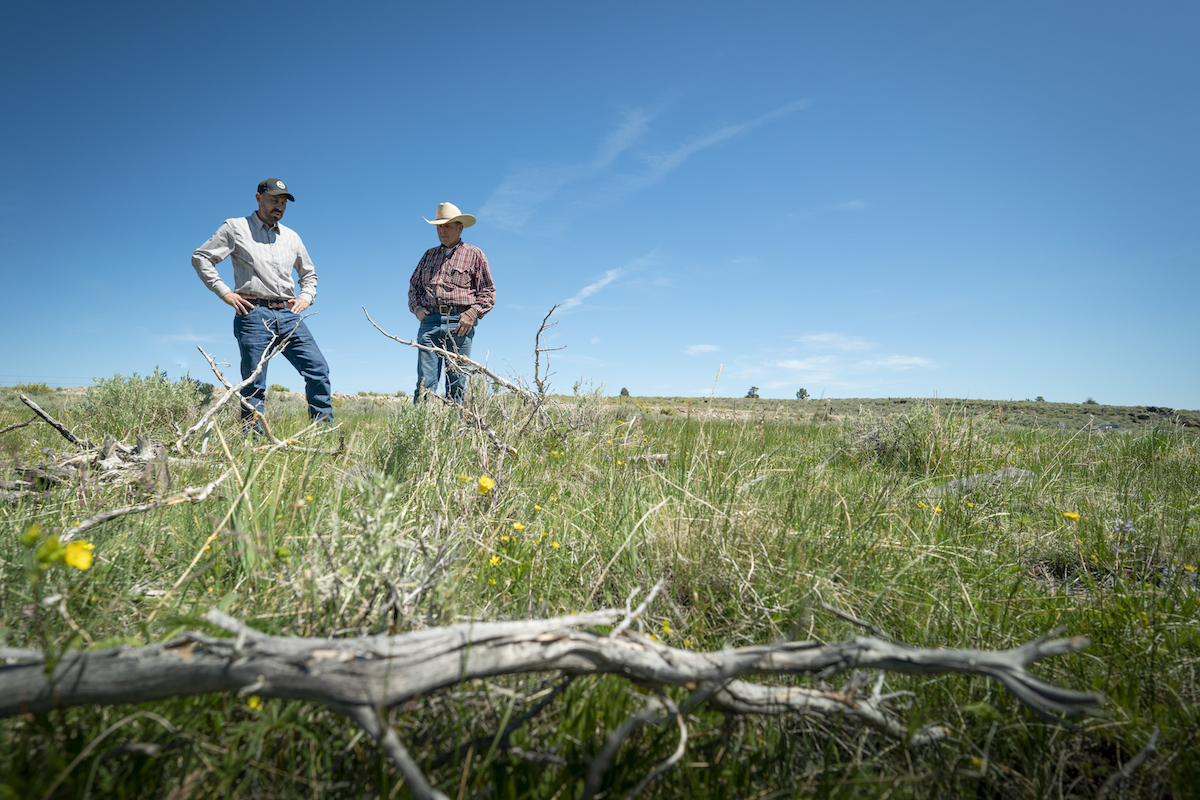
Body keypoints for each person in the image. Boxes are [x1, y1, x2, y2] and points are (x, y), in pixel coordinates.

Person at [191, 178, 333, 430]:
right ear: (258, 198)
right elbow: (201, 257)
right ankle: (252, 441)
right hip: (253, 313)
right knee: (254, 382)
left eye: (283, 202)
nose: (279, 206)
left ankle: (323, 432)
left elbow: (309, 274)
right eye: (274, 200)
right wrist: (224, 292)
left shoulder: (291, 237)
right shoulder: (235, 227)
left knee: (318, 369)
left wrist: (306, 297)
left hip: (289, 315)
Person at [407, 202, 495, 403]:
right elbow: (414, 286)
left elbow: (488, 290)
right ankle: (422, 432)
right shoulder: (428, 256)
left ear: (460, 228)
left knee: (456, 382)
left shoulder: (474, 254)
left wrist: (471, 315)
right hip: (429, 323)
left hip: (460, 324)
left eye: (447, 226)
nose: (442, 230)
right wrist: (417, 309)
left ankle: (453, 433)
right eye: (439, 226)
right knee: (425, 383)